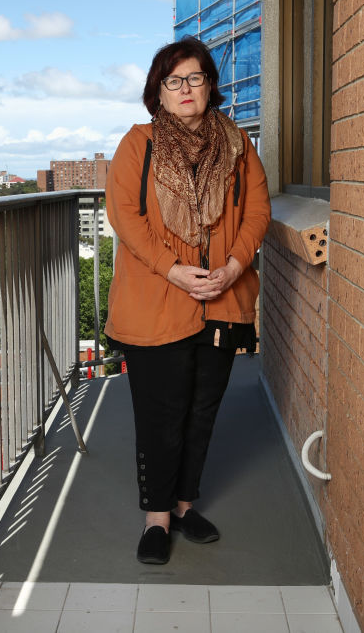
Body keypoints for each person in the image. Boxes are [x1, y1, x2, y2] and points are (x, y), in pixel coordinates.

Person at [104, 37, 271, 565]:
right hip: (157, 299)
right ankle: (155, 520)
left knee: (202, 411)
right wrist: (174, 270)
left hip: (222, 299)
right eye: (174, 80)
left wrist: (233, 268)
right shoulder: (140, 143)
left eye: (195, 78)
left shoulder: (238, 144)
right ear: (158, 89)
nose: (185, 88)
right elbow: (124, 216)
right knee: (161, 413)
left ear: (209, 85)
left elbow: (258, 212)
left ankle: (182, 505)